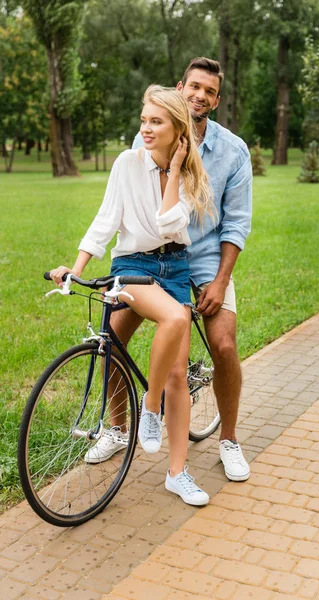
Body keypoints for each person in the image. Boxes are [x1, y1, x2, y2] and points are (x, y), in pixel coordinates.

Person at [89, 57, 252, 482]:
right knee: (113, 339)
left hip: (205, 260)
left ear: (216, 101)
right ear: (181, 88)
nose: (200, 95)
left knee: (224, 345)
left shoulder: (234, 151)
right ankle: (118, 428)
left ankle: (229, 440)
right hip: (150, 257)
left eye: (209, 91)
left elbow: (236, 223)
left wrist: (219, 281)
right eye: (194, 86)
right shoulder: (152, 132)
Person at [49, 84, 213, 506]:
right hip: (133, 268)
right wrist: (77, 267)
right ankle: (141, 414)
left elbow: (166, 225)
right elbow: (107, 219)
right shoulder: (126, 163)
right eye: (143, 120)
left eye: (156, 122)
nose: (145, 128)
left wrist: (175, 169)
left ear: (178, 130)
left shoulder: (192, 175)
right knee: (132, 337)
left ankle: (177, 471)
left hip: (174, 269)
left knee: (179, 374)